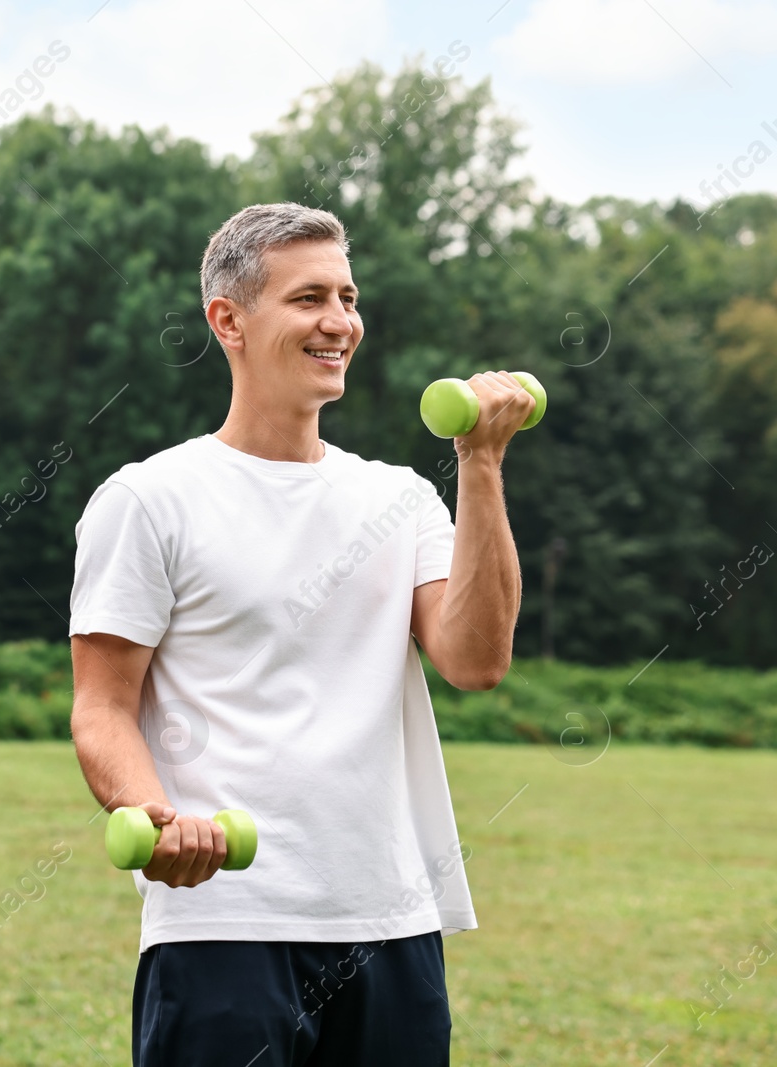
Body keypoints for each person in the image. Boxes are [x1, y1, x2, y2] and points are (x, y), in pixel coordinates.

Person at [68, 202, 533, 1066]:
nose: (340, 323)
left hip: (392, 919)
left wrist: (482, 464)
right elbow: (101, 708)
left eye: (349, 298)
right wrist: (153, 814)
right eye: (309, 297)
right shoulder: (148, 499)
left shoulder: (401, 498)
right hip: (225, 923)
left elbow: (476, 660)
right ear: (228, 320)